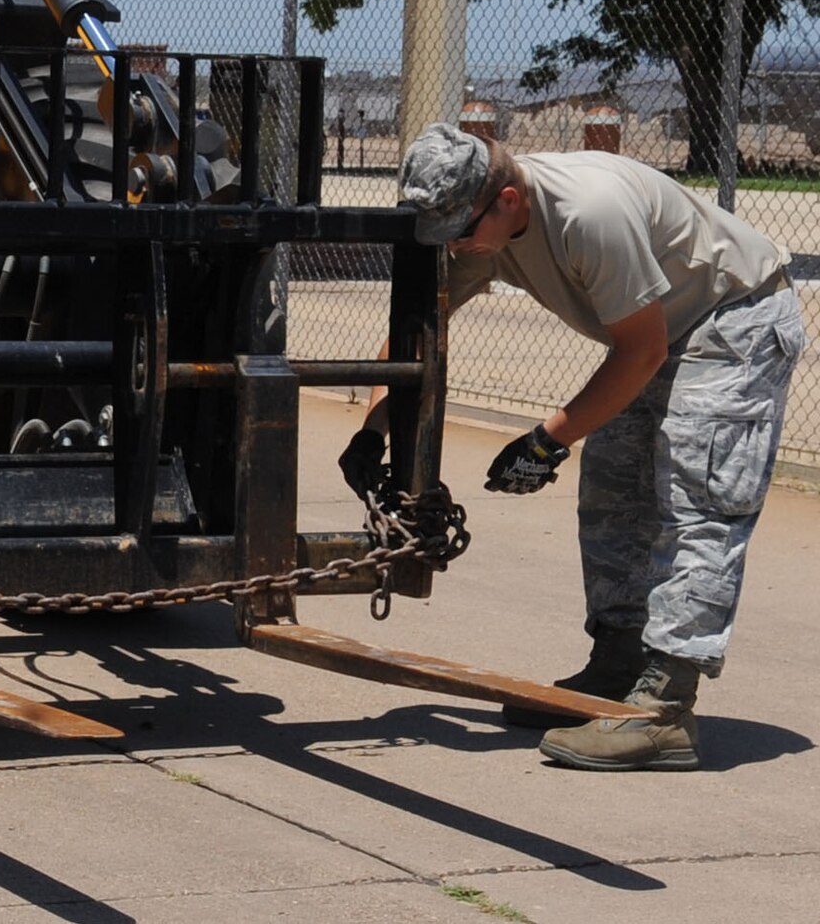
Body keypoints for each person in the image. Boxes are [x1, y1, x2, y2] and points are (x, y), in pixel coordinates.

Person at [340, 122, 803, 771]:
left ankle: (665, 710)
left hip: (733, 321)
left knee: (694, 501)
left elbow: (643, 349)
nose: (454, 246)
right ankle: (618, 664)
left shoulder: (589, 212)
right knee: (612, 492)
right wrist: (372, 429)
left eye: (458, 231)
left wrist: (546, 439)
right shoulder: (486, 227)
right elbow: (422, 327)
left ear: (505, 201)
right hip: (655, 334)